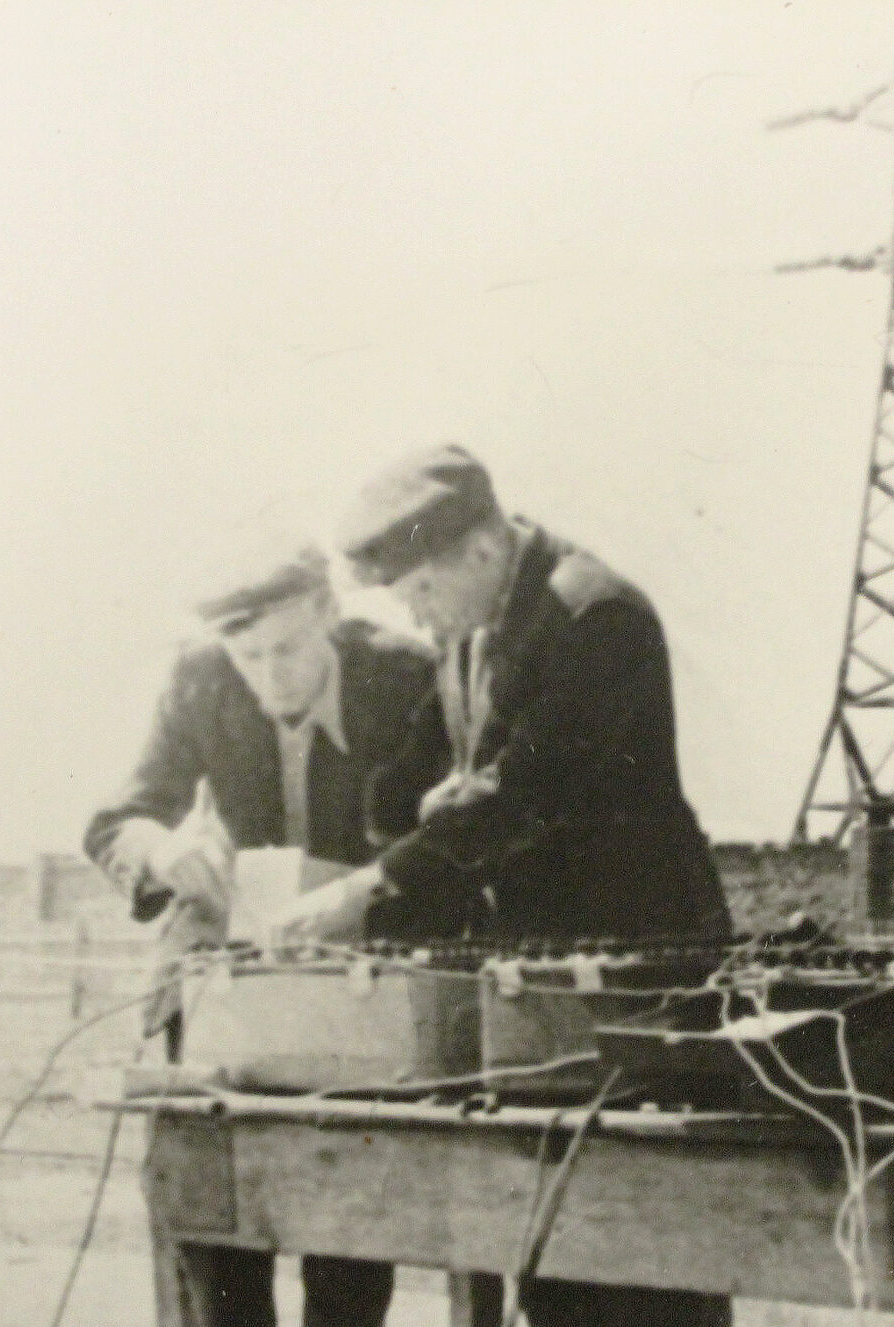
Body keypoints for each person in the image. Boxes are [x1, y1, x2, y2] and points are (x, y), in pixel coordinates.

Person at [275, 444, 733, 1327]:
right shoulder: (474, 624)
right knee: (553, 1259)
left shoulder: (594, 614)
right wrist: (417, 810)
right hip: (541, 988)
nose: (417, 616)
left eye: (420, 591)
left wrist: (374, 885)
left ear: (482, 550)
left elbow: (525, 791)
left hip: (640, 974)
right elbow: (402, 783)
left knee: (647, 1251)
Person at [85, 530, 441, 1327]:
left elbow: (451, 837)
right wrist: (161, 849)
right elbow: (117, 818)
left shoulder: (406, 677)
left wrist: (363, 896)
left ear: (328, 611)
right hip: (229, 987)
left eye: (288, 648)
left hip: (359, 988)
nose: (270, 675)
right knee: (220, 1236)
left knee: (347, 1238)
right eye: (249, 656)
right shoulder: (200, 675)